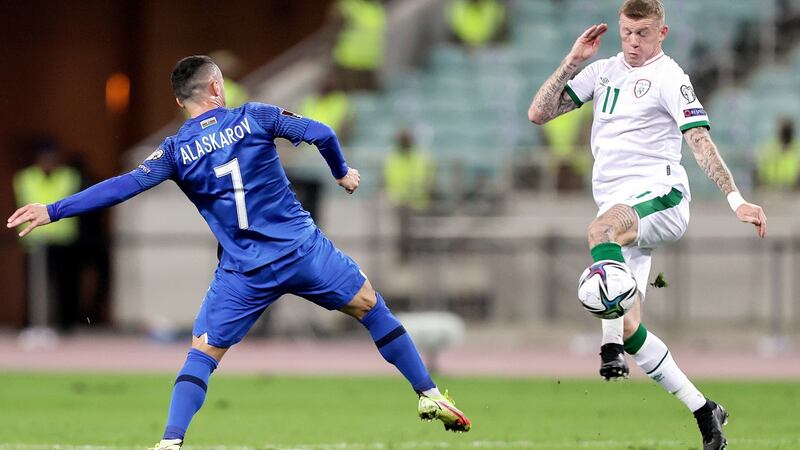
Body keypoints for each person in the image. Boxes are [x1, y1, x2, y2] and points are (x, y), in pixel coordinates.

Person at [7, 55, 471, 450]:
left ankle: (170, 442)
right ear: (215, 87)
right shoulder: (256, 117)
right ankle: (428, 392)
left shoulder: (174, 151)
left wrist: (53, 209)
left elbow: (122, 186)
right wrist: (341, 173)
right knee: (371, 307)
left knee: (202, 355)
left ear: (180, 102)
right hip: (302, 250)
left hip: (244, 271)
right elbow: (323, 133)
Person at [527, 1, 767, 449]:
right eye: (627, 33)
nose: (633, 42)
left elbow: (699, 140)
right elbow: (539, 113)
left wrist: (735, 199)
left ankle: (609, 348)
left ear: (662, 33)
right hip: (623, 211)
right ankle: (705, 411)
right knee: (632, 325)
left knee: (599, 232)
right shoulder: (603, 72)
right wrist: (572, 60)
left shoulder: (670, 77)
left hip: (663, 198)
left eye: (642, 33)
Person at [13, 140, 82, 331]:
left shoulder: (69, 176)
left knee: (65, 285)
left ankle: (65, 325)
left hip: (63, 239)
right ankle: (31, 324)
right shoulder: (25, 177)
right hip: (35, 239)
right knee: (33, 285)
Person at [383, 129, 435, 261]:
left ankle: (411, 252)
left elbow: (429, 181)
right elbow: (388, 180)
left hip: (419, 201)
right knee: (403, 220)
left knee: (410, 222)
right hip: (400, 202)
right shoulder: (392, 158)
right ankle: (405, 253)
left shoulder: (421, 157)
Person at [757, 118, 800, 190]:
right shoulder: (769, 148)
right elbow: (760, 170)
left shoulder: (797, 148)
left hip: (792, 189)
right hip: (770, 188)